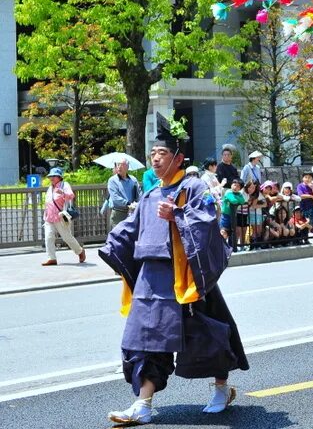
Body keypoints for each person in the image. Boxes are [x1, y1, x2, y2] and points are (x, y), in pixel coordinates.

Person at [99, 114, 247, 425]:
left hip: (186, 275)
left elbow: (207, 221)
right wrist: (114, 249)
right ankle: (143, 403)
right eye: (152, 153)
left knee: (205, 334)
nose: (155, 158)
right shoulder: (151, 193)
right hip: (150, 279)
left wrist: (178, 215)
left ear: (178, 158)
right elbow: (131, 228)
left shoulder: (193, 187)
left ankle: (221, 388)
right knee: (144, 339)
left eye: (162, 153)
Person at [41, 167, 86, 266]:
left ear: (59, 177)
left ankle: (80, 251)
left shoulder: (64, 185)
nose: (51, 178)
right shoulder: (50, 187)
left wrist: (62, 193)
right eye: (50, 176)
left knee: (67, 237)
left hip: (60, 217)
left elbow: (71, 196)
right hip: (49, 217)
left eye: (54, 176)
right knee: (48, 237)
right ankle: (51, 258)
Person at [108, 159, 143, 227]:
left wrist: (138, 204)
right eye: (118, 164)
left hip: (133, 212)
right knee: (118, 236)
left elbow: (139, 194)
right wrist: (128, 204)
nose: (119, 167)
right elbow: (115, 197)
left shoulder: (133, 179)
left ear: (127, 167)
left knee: (132, 236)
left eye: (122, 164)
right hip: (118, 214)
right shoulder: (112, 180)